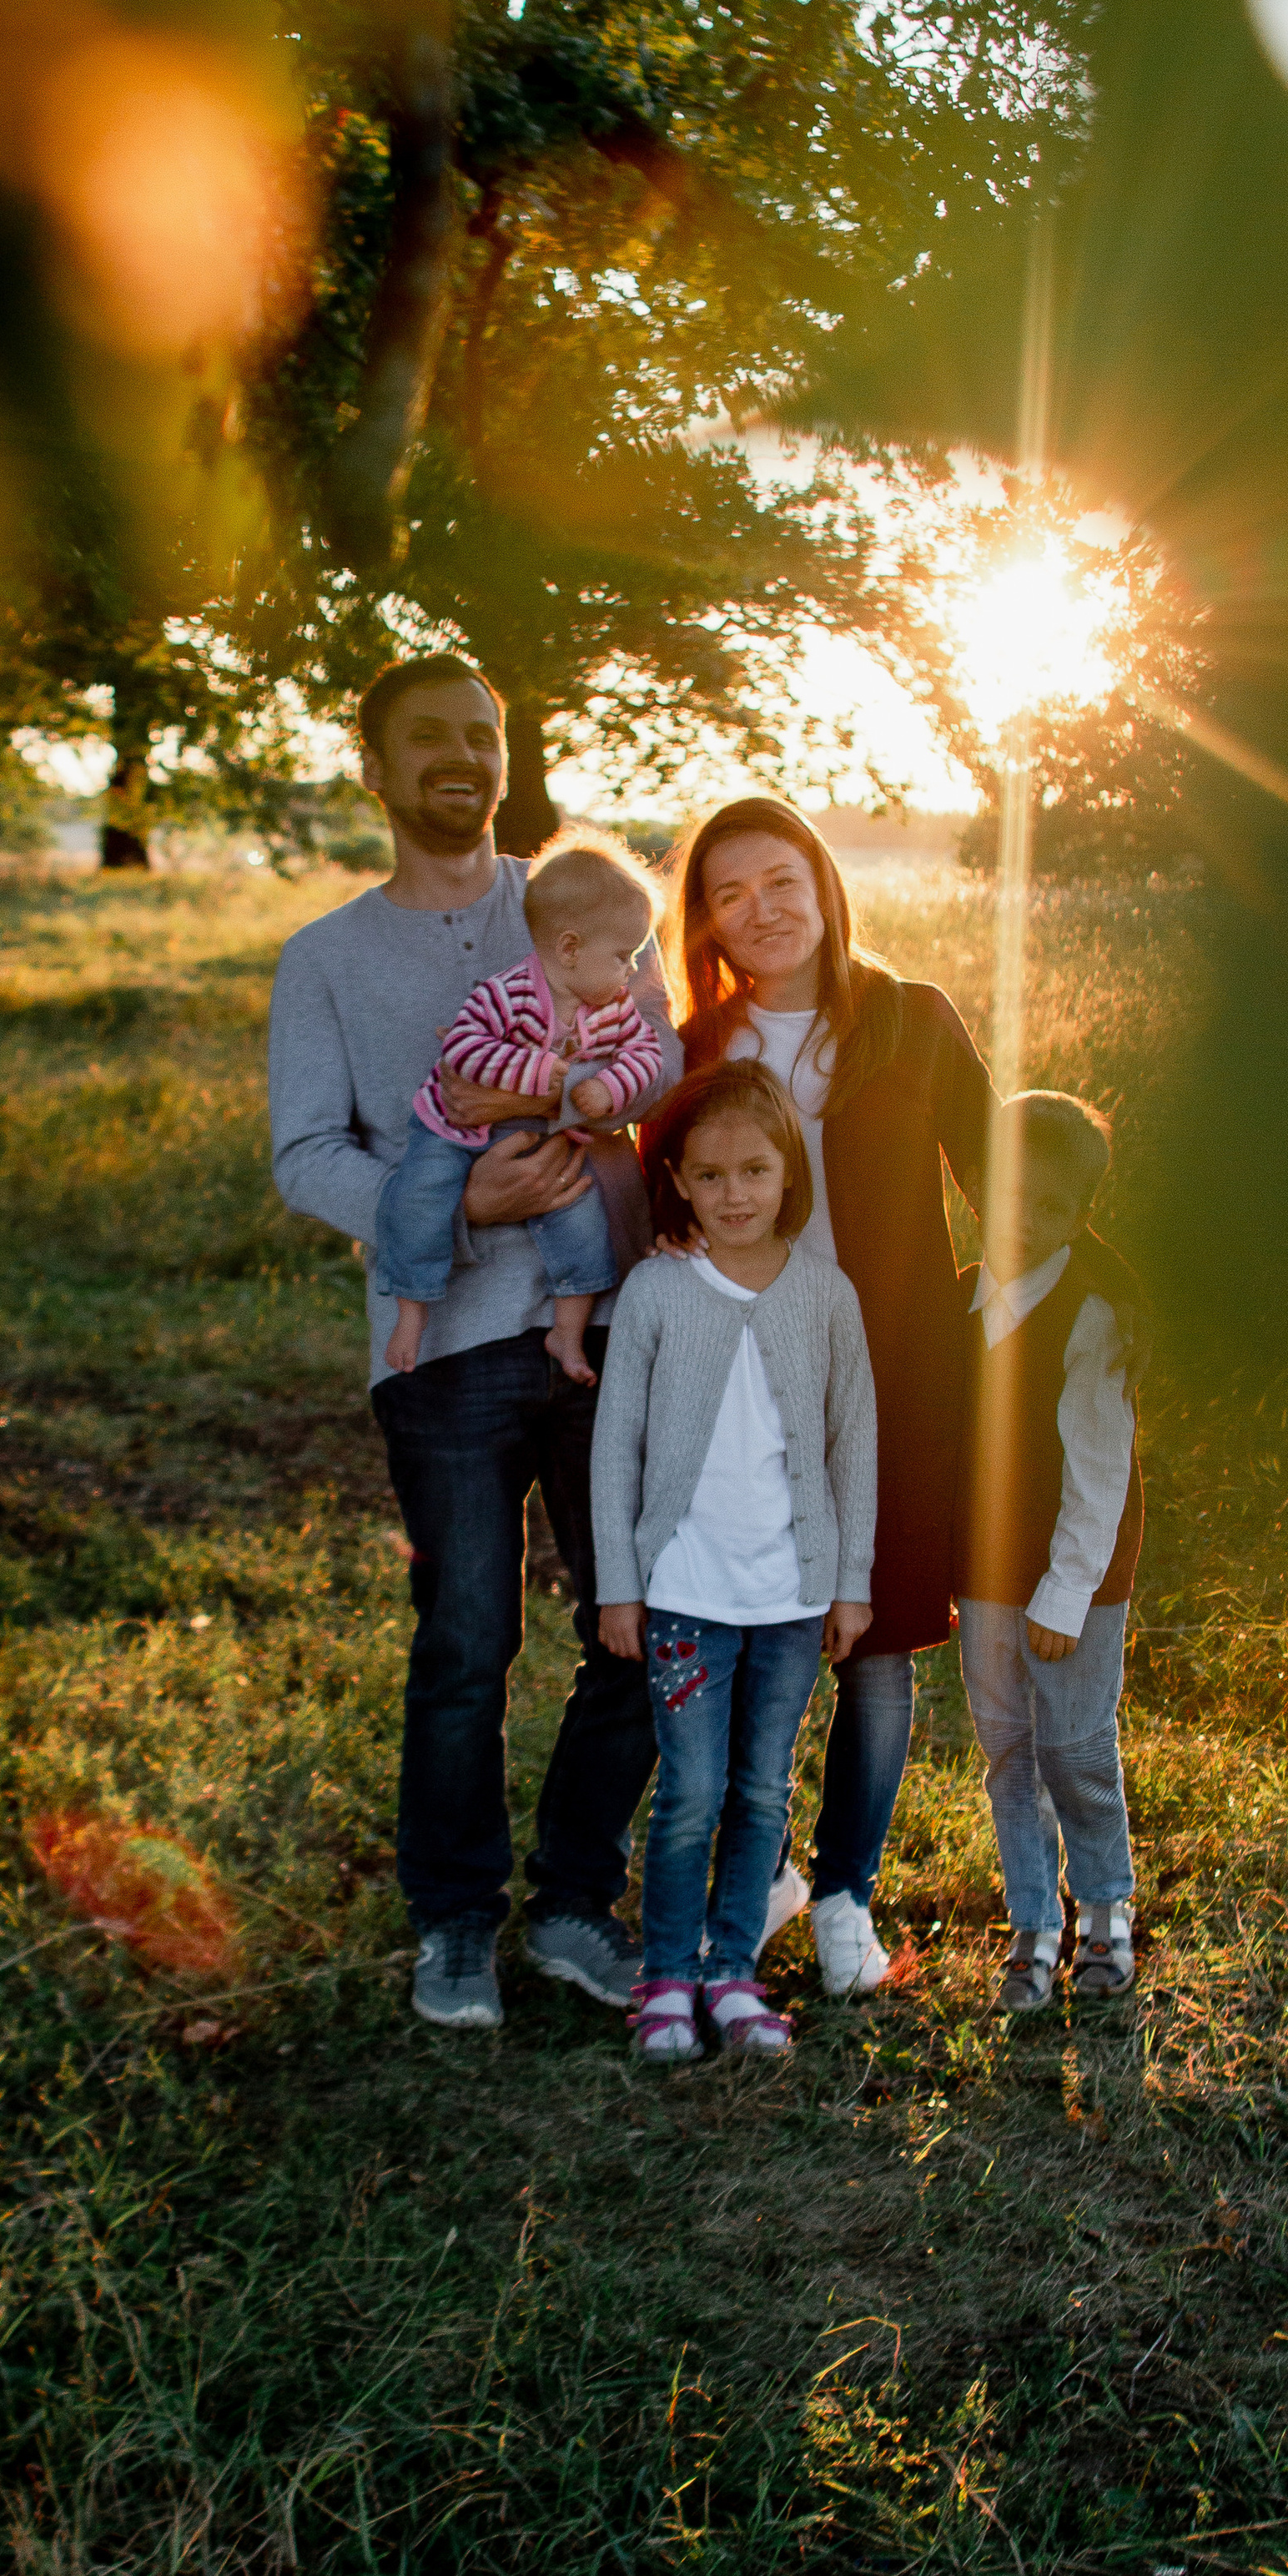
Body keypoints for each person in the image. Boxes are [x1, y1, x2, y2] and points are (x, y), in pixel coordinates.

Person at [267, 656, 682, 2031]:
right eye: (427, 739)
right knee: (463, 1639)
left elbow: (653, 1052)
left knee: (636, 1617)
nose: (460, 757)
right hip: (441, 1354)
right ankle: (452, 1920)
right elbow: (304, 1155)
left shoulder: (578, 900)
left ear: (505, 757)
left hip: (597, 1329)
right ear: (376, 768)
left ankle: (574, 1902)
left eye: (481, 737)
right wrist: (443, 1204)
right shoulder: (324, 958)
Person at [666, 797, 992, 1995]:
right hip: (742, 1384)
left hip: (896, 1374)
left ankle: (846, 1888)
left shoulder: (910, 1020)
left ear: (825, 882)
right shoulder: (698, 1045)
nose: (762, 911)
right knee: (749, 1634)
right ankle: (763, 1878)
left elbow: (999, 1180)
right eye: (729, 893)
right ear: (702, 919)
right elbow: (655, 1204)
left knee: (882, 1643)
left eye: (782, 879)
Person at [591, 1066, 877, 2060]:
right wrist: (619, 1586)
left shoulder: (825, 1295)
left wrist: (851, 1582)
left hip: (792, 1597)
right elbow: (615, 1439)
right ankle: (665, 1977)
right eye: (709, 1177)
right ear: (676, 1180)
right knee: (690, 1793)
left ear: (787, 1170)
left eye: (754, 1170)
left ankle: (730, 1972)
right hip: (682, 1594)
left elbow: (854, 1443)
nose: (735, 1194)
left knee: (762, 1791)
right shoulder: (658, 1291)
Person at [955, 1091, 1147, 2015]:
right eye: (1010, 1196)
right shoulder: (962, 1297)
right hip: (986, 1576)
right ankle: (1032, 1922)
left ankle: (1105, 1910)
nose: (1024, 1223)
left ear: (1079, 1215)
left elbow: (1099, 1474)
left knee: (1073, 1750)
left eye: (1052, 1208)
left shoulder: (1090, 1315)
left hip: (1073, 1585)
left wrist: (1064, 1594)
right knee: (1008, 1751)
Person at [379, 833, 663, 1386]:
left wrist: (607, 1088)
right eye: (622, 956)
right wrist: (542, 1075)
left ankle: (567, 1331)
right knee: (420, 1197)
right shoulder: (506, 994)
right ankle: (411, 1313)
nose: (631, 970)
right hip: (452, 1129)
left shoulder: (612, 1007)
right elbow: (461, 1049)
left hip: (538, 1135)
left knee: (582, 1221)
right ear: (570, 949)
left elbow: (647, 1052)